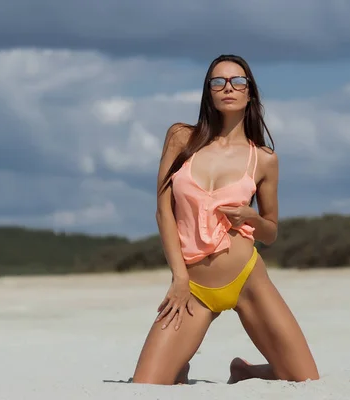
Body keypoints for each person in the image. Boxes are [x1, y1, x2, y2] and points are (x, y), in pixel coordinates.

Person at [131, 54, 320, 385]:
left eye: (238, 81)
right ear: (209, 92)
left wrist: (251, 216)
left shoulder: (263, 159)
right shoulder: (180, 138)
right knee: (146, 384)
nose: (228, 87)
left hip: (247, 280)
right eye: (217, 82)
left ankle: (246, 371)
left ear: (250, 93)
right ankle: (179, 369)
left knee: (305, 380)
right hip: (192, 287)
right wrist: (178, 277)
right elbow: (164, 211)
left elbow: (271, 231)